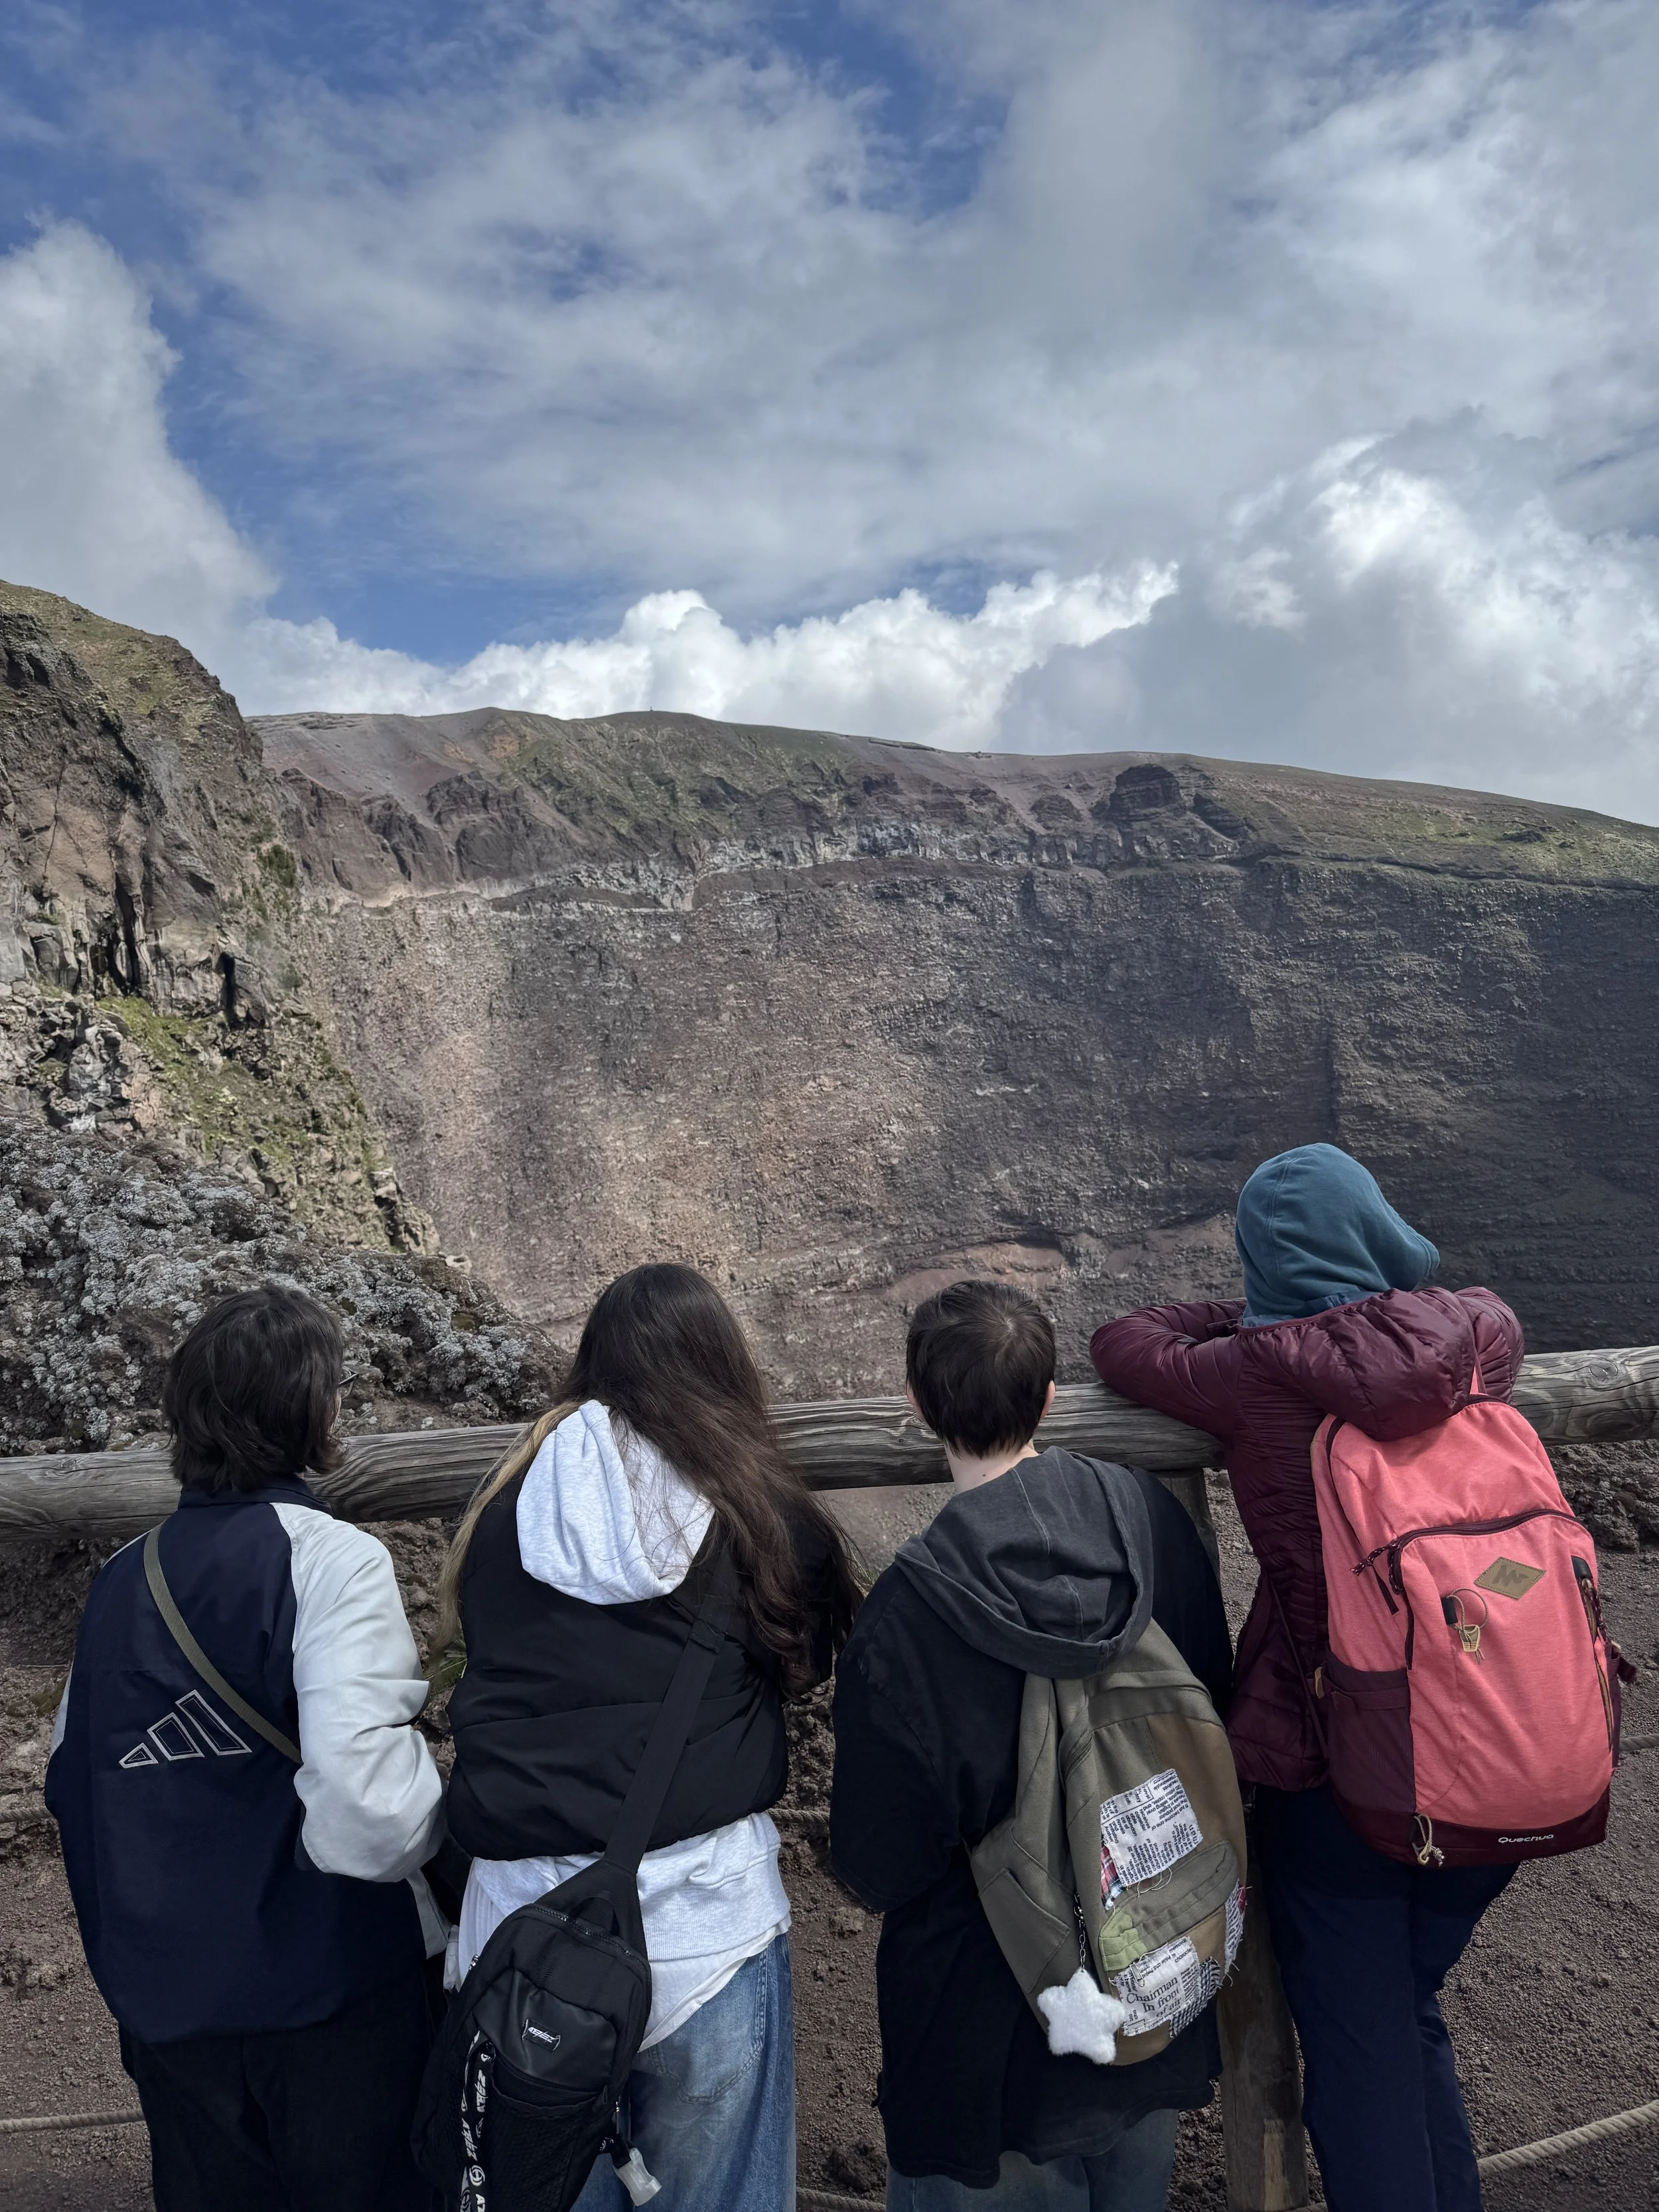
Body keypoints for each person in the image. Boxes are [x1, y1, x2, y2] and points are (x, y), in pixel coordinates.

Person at [1090, 1143, 1524, 2212]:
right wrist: (1396, 1281)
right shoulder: (1475, 1340)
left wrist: (1255, 1316)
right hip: (1501, 1740)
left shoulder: (1252, 1373)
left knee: (1363, 2049)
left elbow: (1125, 1341)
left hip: (1345, 1773)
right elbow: (1478, 1301)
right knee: (1405, 2010)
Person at [437, 1261, 861, 2212]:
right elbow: (811, 1654)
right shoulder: (767, 1520)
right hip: (705, 1923)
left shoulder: (501, 1516)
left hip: (524, 1937)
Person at [830, 1278, 1232, 2212]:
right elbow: (1210, 1699)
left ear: (919, 1404)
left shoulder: (906, 1619)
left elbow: (879, 1863)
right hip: (1146, 1972)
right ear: (1049, 1397)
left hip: (986, 2034)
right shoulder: (1151, 1526)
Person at [46, 1285, 446, 2212]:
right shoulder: (331, 1560)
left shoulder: (120, 1578)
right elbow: (371, 1818)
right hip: (328, 2002)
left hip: (168, 2010)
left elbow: (74, 1781)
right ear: (315, 1413)